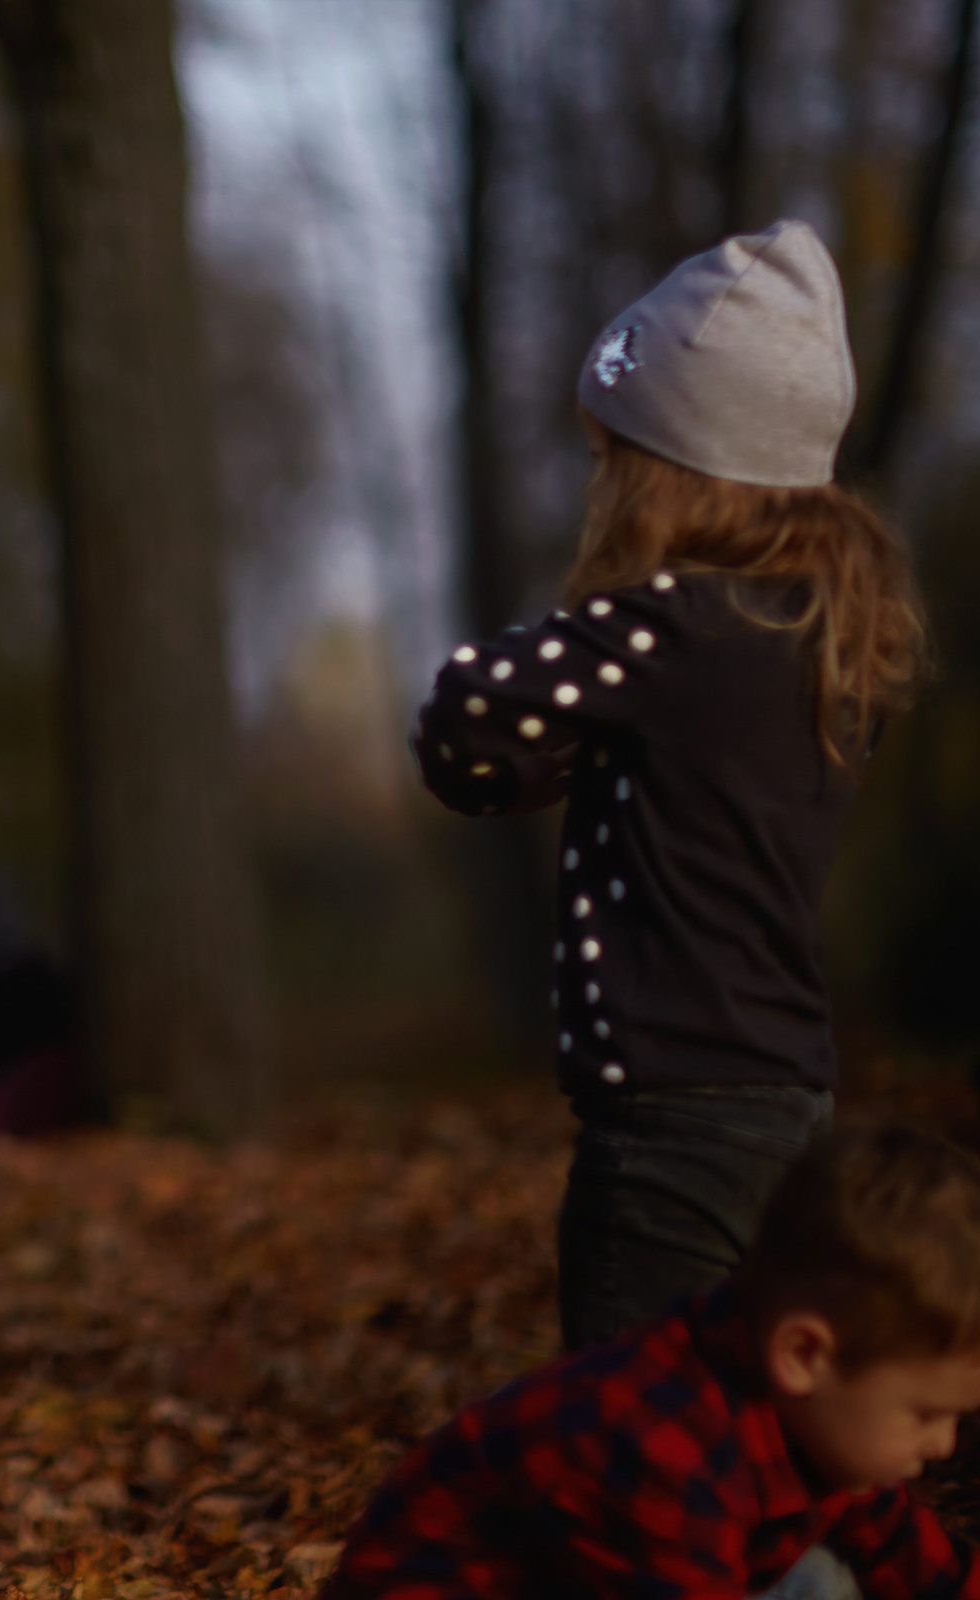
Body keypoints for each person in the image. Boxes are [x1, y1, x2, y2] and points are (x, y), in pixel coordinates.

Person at [411, 220, 926, 1354]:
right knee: (752, 1436)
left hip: (667, 1123)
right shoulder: (821, 642)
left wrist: (542, 738)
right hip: (788, 1097)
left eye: (614, 459)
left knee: (632, 1438)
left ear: (680, 478)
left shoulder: (668, 630)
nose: (600, 486)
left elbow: (468, 717)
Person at [324, 1119, 980, 1598]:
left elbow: (911, 1556)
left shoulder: (825, 1422)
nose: (944, 1443)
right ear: (804, 1354)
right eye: (926, 1413)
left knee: (816, 1580)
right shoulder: (661, 1447)